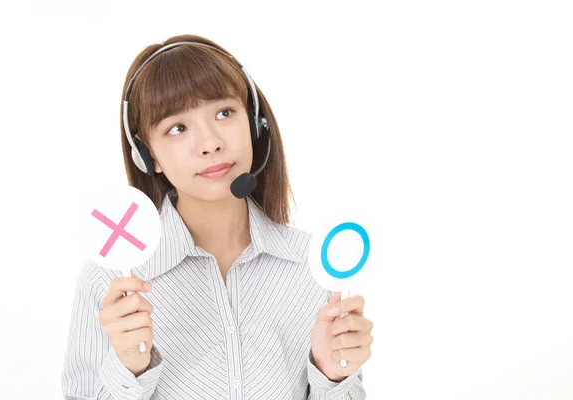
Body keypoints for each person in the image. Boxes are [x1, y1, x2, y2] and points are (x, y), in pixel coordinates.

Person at [61, 33, 373, 399]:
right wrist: (129, 367)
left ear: (255, 125)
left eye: (224, 113)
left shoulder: (315, 268)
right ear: (149, 157)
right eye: (177, 128)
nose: (210, 142)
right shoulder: (110, 279)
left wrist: (331, 375)